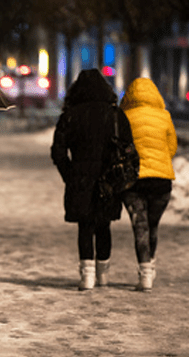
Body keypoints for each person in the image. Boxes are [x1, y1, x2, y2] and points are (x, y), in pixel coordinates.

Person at [51, 69, 134, 290]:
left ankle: (86, 276)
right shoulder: (116, 115)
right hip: (109, 178)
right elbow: (128, 148)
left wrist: (69, 174)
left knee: (85, 225)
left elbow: (58, 151)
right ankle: (103, 274)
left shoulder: (70, 115)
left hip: (80, 178)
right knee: (103, 224)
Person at [119, 78, 177, 291]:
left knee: (140, 226)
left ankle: (145, 275)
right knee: (153, 226)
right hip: (160, 182)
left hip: (133, 181)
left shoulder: (124, 117)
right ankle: (151, 264)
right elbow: (171, 148)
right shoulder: (164, 116)